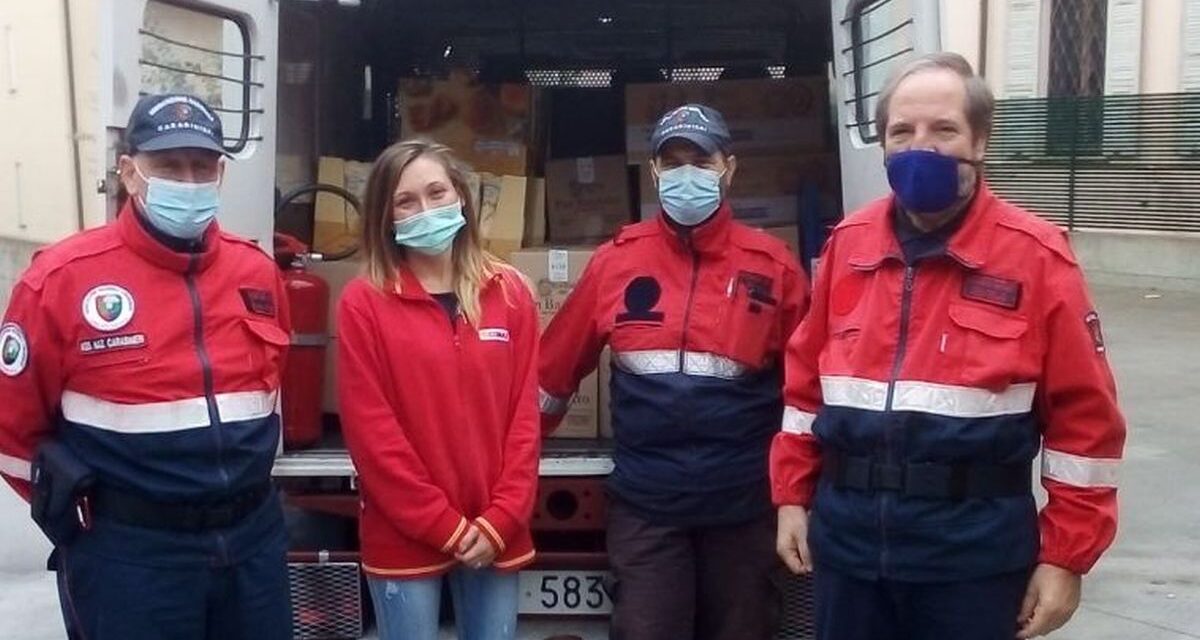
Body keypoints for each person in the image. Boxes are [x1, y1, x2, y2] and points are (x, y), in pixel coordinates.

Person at [770, 52, 1127, 640]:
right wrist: (791, 496)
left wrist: (1066, 556)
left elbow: (1086, 427)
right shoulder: (848, 247)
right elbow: (806, 390)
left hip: (972, 561)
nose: (921, 147)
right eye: (902, 132)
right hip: (850, 552)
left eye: (943, 130)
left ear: (980, 141)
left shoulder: (1036, 257)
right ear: (883, 145)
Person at [0, 93, 293, 639]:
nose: (188, 180)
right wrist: (79, 519)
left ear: (221, 174)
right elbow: (12, 427)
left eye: (201, 165)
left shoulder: (256, 272)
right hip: (131, 556)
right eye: (168, 165)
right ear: (130, 173)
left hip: (253, 542)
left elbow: (271, 388)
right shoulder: (61, 280)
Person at [539, 104, 810, 640]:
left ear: (729, 169)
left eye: (701, 161)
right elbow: (551, 376)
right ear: (655, 171)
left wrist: (797, 496)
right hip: (648, 508)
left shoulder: (774, 267)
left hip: (743, 508)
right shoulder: (616, 262)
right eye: (673, 161)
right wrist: (504, 468)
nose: (687, 174)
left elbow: (808, 393)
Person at [336, 139, 540, 640]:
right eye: (405, 201)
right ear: (385, 216)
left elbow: (524, 419)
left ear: (461, 198)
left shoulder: (510, 293)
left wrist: (502, 518)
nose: (426, 210)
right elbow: (372, 435)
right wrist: (441, 524)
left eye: (436, 193)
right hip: (404, 532)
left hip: (496, 530)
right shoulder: (363, 303)